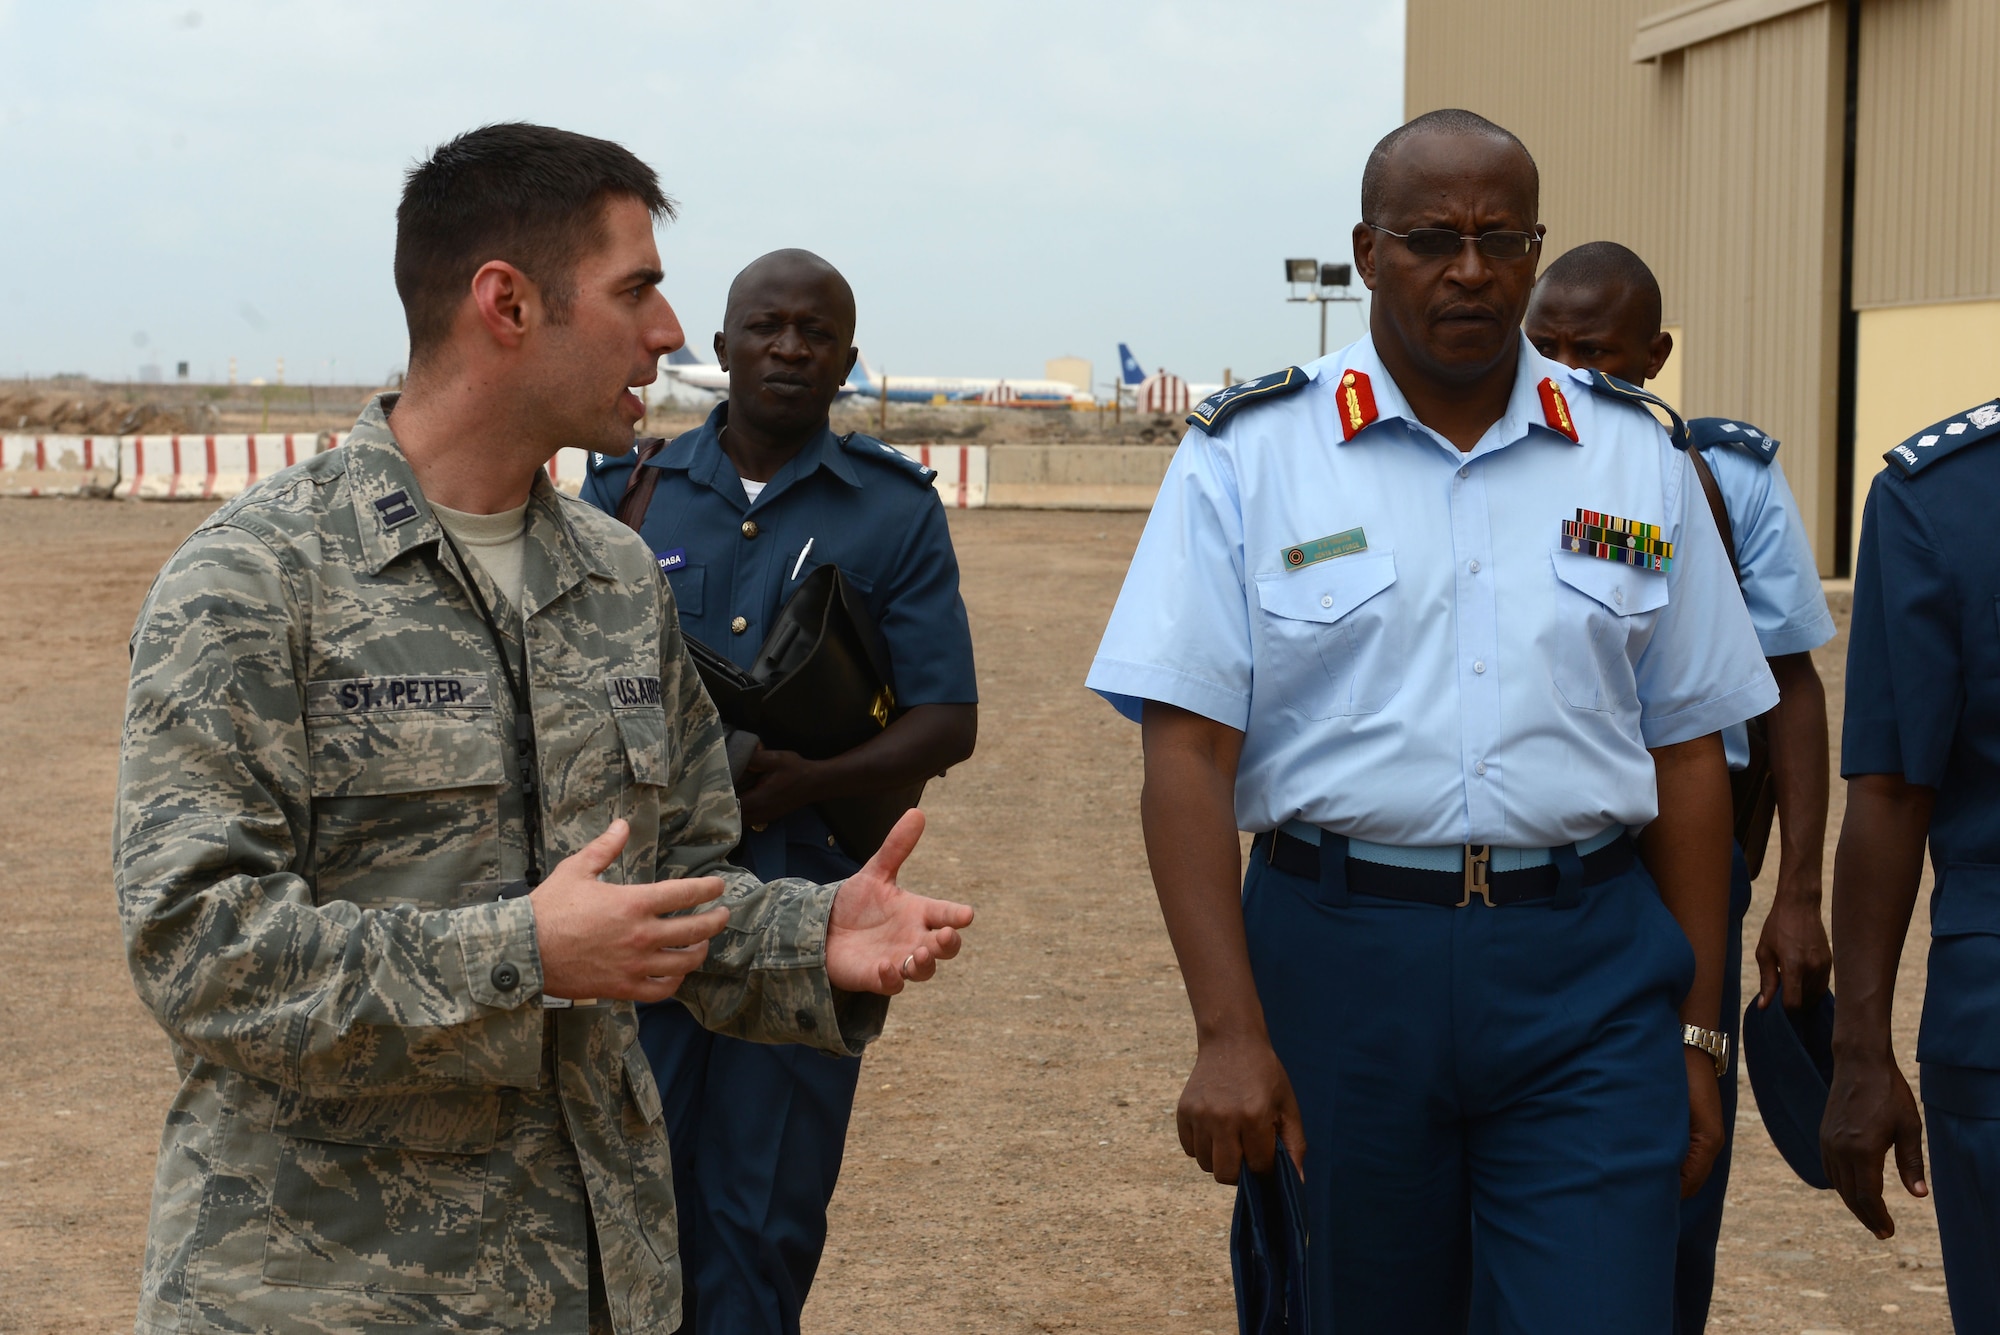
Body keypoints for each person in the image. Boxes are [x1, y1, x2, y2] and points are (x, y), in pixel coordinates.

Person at [112, 122, 974, 1335]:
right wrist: (524, 955)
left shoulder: (617, 578)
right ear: (505, 305)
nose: (672, 335)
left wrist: (808, 933)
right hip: (328, 1290)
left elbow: (672, 892)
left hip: (593, 1286)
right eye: (636, 290)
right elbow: (198, 949)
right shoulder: (257, 581)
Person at [1086, 108, 1778, 1332]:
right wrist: (1226, 1032)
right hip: (1340, 965)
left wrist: (1698, 1035)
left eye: (1498, 237)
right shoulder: (1251, 455)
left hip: (1587, 971)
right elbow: (1183, 754)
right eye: (1428, 238)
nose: (1467, 267)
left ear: (1531, 247)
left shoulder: (1632, 459)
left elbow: (1688, 753)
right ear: (1364, 251)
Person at [579, 249, 978, 1335]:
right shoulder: (628, 490)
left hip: (807, 897)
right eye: (765, 327)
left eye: (815, 333)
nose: (789, 348)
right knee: (625, 1196)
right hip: (647, 899)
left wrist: (810, 780)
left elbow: (948, 719)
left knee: (762, 1217)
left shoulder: (891, 511)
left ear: (847, 360)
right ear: (721, 348)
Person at [1524, 240, 1835, 1334]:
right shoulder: (1496, 461)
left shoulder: (1722, 476)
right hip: (1564, 855)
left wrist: (1795, 891)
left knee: (1681, 1111)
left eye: (1595, 352)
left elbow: (1791, 688)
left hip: (1699, 853)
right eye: (1545, 345)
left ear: (1653, 355)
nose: (1566, 369)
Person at [1822, 394, 2000, 1333]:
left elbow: (1890, 795)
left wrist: (1861, 1053)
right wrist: (1859, 1051)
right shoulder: (1944, 498)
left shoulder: (1940, 489)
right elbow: (1889, 791)